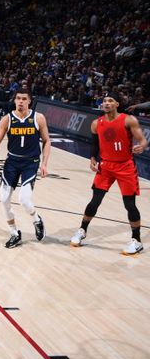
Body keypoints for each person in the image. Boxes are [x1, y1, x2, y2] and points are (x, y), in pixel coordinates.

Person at [70, 94, 147, 254]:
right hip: (105, 166)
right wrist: (92, 158)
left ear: (117, 104)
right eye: (104, 101)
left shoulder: (128, 120)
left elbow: (142, 139)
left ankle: (137, 240)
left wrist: (142, 146)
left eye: (110, 101)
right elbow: (95, 143)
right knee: (95, 201)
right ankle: (82, 230)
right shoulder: (96, 123)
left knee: (129, 204)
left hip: (125, 166)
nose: (106, 103)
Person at [0, 89, 51, 248]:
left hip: (31, 162)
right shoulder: (7, 119)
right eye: (18, 99)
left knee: (24, 199)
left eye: (24, 99)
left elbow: (47, 141)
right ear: (14, 101)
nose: (20, 101)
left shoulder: (38, 118)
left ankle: (36, 219)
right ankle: (14, 233)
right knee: (4, 199)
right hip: (12, 162)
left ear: (29, 101)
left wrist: (44, 163)